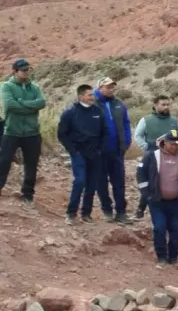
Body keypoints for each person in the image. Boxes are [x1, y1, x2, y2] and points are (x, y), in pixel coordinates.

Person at [136, 130, 178, 269]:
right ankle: (161, 257)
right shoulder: (152, 156)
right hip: (157, 201)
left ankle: (173, 257)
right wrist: (147, 194)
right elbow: (141, 173)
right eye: (172, 144)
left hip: (176, 203)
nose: (175, 147)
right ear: (164, 143)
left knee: (175, 230)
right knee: (159, 228)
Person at [57, 84, 108, 225]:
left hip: (95, 153)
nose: (93, 97)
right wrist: (72, 150)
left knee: (92, 184)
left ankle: (86, 213)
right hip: (78, 152)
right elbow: (62, 134)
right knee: (79, 181)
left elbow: (105, 132)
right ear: (81, 97)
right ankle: (71, 213)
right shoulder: (70, 112)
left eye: (93, 95)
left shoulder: (98, 112)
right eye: (90, 95)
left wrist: (100, 149)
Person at [134, 94, 178, 219]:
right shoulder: (146, 120)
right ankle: (140, 209)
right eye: (163, 104)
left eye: (168, 104)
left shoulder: (175, 121)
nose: (166, 107)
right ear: (155, 105)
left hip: (172, 156)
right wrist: (147, 147)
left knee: (172, 181)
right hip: (153, 155)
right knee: (151, 180)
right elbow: (138, 136)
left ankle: (177, 208)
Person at [0, 59, 46, 204]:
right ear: (14, 71)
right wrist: (30, 107)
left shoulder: (35, 87)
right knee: (4, 161)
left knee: (31, 164)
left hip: (32, 132)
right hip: (12, 131)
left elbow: (42, 103)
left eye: (27, 69)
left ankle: (28, 193)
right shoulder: (6, 86)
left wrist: (21, 103)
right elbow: (10, 105)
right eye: (23, 70)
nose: (26, 72)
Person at [94, 77, 133, 224]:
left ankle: (121, 212)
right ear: (100, 88)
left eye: (113, 87)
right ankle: (107, 210)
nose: (111, 89)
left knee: (119, 182)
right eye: (108, 87)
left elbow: (126, 123)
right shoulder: (92, 104)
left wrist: (127, 142)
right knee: (101, 182)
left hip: (117, 151)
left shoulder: (118, 104)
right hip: (99, 152)